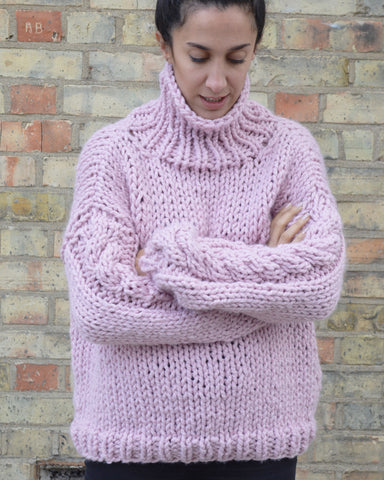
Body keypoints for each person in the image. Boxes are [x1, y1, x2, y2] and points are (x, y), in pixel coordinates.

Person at [61, 1, 345, 479]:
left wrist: (165, 261)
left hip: (260, 444)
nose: (217, 82)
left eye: (237, 58)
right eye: (198, 56)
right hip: (131, 446)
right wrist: (262, 269)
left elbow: (316, 285)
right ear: (164, 47)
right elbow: (102, 306)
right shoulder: (112, 153)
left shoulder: (290, 150)